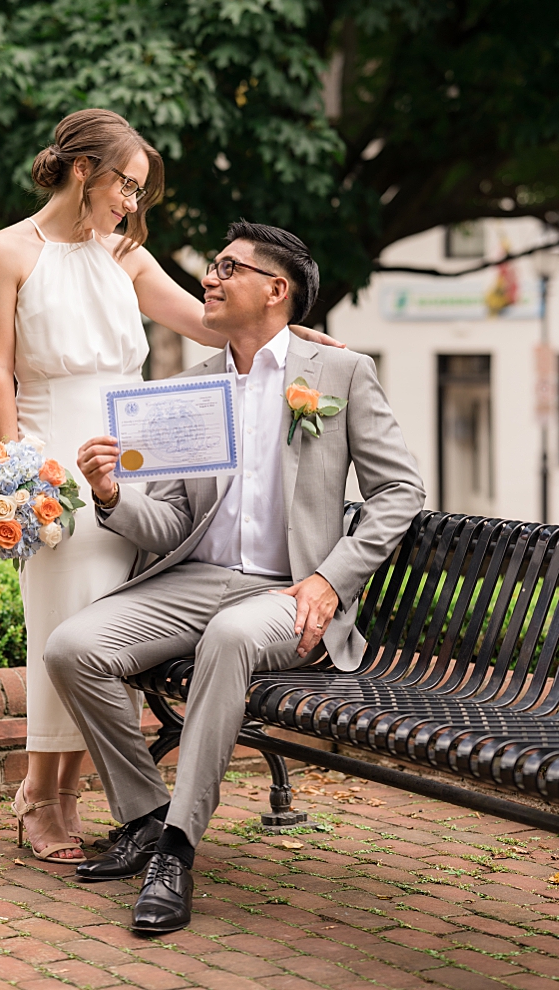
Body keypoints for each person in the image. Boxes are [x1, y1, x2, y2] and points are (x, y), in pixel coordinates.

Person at [0, 110, 342, 863]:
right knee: (64, 625)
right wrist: (15, 471)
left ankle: (60, 792)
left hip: (137, 464)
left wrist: (294, 334)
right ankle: (46, 799)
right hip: (54, 463)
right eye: (127, 186)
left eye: (140, 190)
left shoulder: (127, 257)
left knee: (111, 630)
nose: (133, 203)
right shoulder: (4, 252)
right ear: (84, 171)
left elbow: (209, 326)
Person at [50, 221, 424, 933]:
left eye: (228, 268)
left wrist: (330, 580)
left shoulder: (340, 375)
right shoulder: (189, 389)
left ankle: (177, 855)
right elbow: (165, 524)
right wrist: (109, 495)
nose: (209, 280)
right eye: (213, 268)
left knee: (228, 635)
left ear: (275, 290)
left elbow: (400, 491)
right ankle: (145, 817)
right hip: (192, 579)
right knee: (73, 648)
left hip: (289, 594)